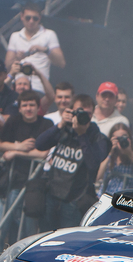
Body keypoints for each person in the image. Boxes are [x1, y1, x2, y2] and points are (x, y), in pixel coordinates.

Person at [35, 93, 109, 229]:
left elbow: (93, 165)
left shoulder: (97, 137)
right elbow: (39, 144)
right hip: (52, 195)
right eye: (80, 112)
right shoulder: (65, 129)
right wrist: (61, 124)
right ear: (71, 112)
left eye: (88, 113)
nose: (84, 116)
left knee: (66, 238)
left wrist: (82, 135)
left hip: (74, 200)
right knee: (45, 236)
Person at [0, 89, 50, 254]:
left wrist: (16, 152)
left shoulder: (46, 124)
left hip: (35, 187)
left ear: (38, 107)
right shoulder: (13, 121)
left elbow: (44, 154)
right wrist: (19, 146)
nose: (28, 108)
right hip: (10, 183)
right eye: (25, 105)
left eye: (32, 105)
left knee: (27, 235)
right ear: (20, 108)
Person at [5, 5, 65, 94]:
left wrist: (46, 50)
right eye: (28, 18)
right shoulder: (15, 36)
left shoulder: (49, 35)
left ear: (39, 18)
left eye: (35, 18)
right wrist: (17, 58)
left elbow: (61, 63)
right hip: (18, 87)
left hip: (38, 88)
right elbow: (7, 67)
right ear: (22, 17)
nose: (31, 21)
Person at [96, 122, 133, 195]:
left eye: (124, 137)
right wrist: (110, 153)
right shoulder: (108, 150)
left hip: (124, 197)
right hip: (106, 195)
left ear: (130, 137)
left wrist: (130, 153)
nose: (121, 141)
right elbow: (98, 176)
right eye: (117, 138)